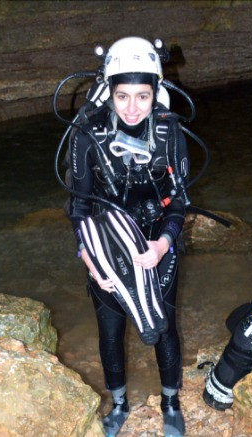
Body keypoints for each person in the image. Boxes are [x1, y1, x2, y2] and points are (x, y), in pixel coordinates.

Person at [67, 36, 188, 437]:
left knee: (162, 324)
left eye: (142, 96)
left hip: (157, 242)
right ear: (109, 93)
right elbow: (79, 208)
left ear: (156, 92)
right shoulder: (86, 133)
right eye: (122, 96)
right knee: (110, 328)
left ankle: (170, 402)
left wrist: (162, 245)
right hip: (106, 243)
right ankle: (118, 404)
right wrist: (92, 261)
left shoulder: (170, 133)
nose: (133, 108)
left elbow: (179, 205)